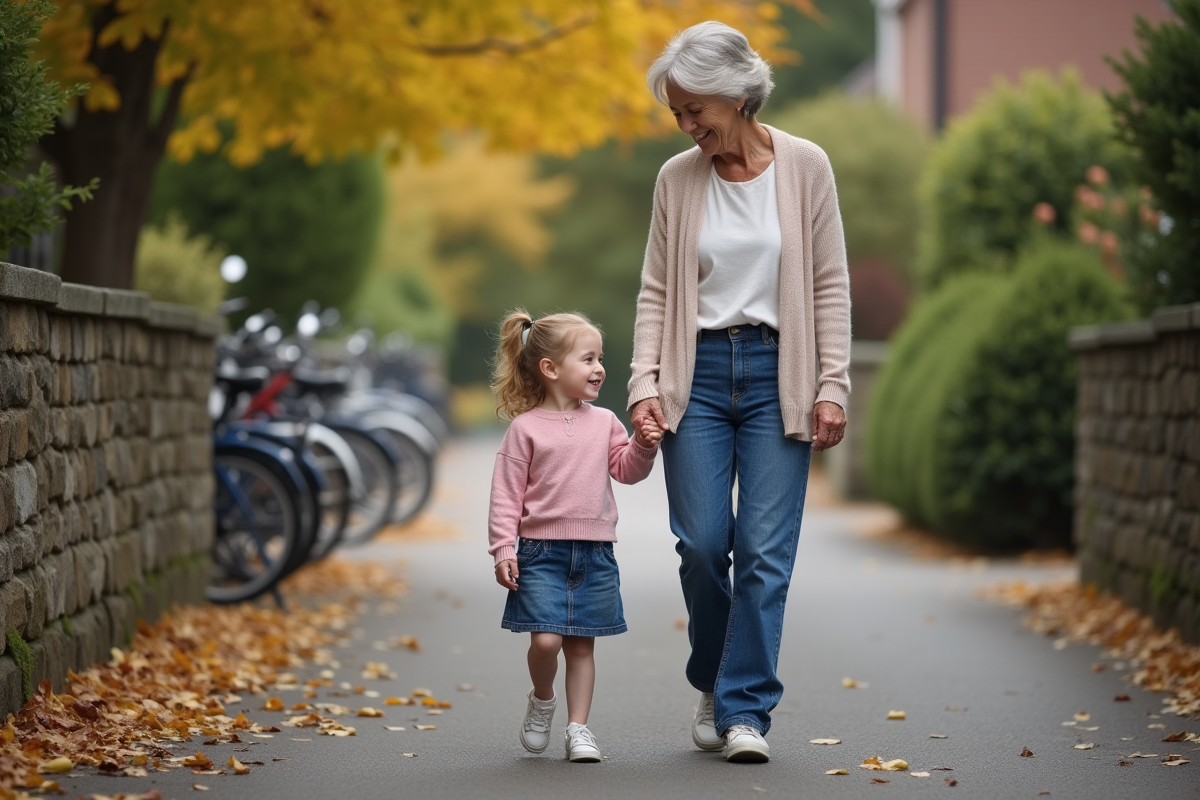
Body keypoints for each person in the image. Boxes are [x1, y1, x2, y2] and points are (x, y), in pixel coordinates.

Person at [629, 21, 851, 763]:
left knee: (763, 553)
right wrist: (643, 385)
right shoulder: (675, 179)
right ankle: (715, 675)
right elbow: (656, 292)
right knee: (701, 546)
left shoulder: (806, 166)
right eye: (678, 114)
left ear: (737, 93)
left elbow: (828, 286)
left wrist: (832, 385)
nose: (689, 125)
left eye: (697, 109)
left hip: (776, 377)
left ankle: (745, 709)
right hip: (695, 376)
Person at [488, 309, 662, 762]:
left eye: (599, 358)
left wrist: (644, 444)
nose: (599, 368)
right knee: (546, 640)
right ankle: (543, 699)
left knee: (582, 645)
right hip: (540, 553)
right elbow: (506, 497)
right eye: (587, 359)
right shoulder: (524, 429)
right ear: (550, 369)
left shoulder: (604, 421)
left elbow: (626, 471)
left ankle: (578, 728)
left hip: (595, 552)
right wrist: (503, 548)